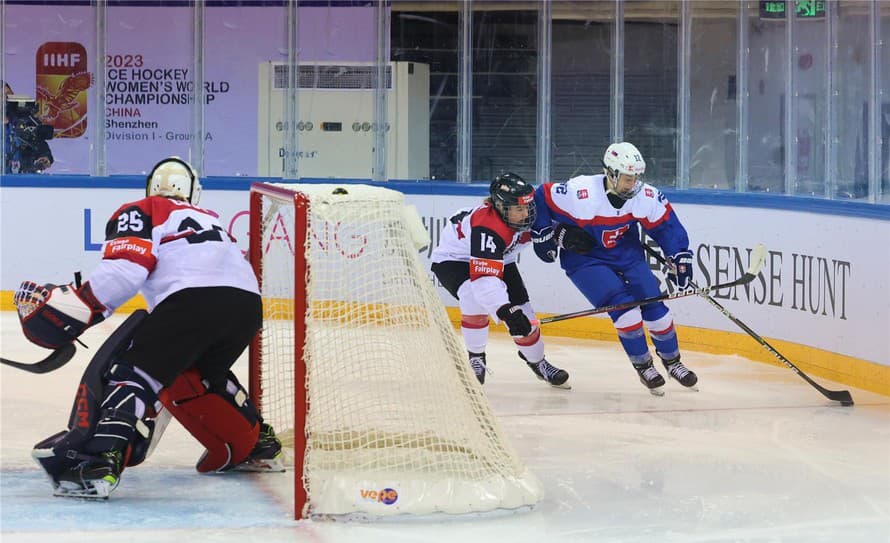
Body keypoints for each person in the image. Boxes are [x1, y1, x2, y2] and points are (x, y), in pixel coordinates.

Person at [13, 156, 283, 499]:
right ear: (193, 192)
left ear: (151, 187)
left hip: (191, 300)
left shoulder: (145, 208)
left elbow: (125, 273)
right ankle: (256, 444)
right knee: (197, 373)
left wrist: (83, 308)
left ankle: (97, 461)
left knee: (134, 371)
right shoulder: (212, 220)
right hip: (246, 307)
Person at [530, 142, 698, 395]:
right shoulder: (580, 193)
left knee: (656, 307)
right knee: (625, 310)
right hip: (586, 259)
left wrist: (679, 255)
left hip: (626, 253)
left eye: (636, 178)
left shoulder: (644, 196)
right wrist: (543, 233)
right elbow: (541, 196)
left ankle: (673, 362)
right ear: (610, 173)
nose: (633, 184)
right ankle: (644, 366)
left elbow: (666, 226)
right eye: (628, 178)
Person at [431, 172, 570, 389]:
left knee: (524, 313)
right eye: (519, 209)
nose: (526, 214)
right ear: (501, 207)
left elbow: (549, 227)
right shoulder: (488, 226)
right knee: (471, 294)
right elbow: (484, 280)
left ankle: (538, 362)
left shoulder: (527, 213)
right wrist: (504, 310)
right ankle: (476, 357)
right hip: (454, 260)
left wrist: (565, 235)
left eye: (527, 207)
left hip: (502, 258)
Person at [3, 80, 54, 174]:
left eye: (7, 95)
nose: (4, 99)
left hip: (24, 180)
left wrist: (44, 158)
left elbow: (41, 146)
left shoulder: (25, 122)